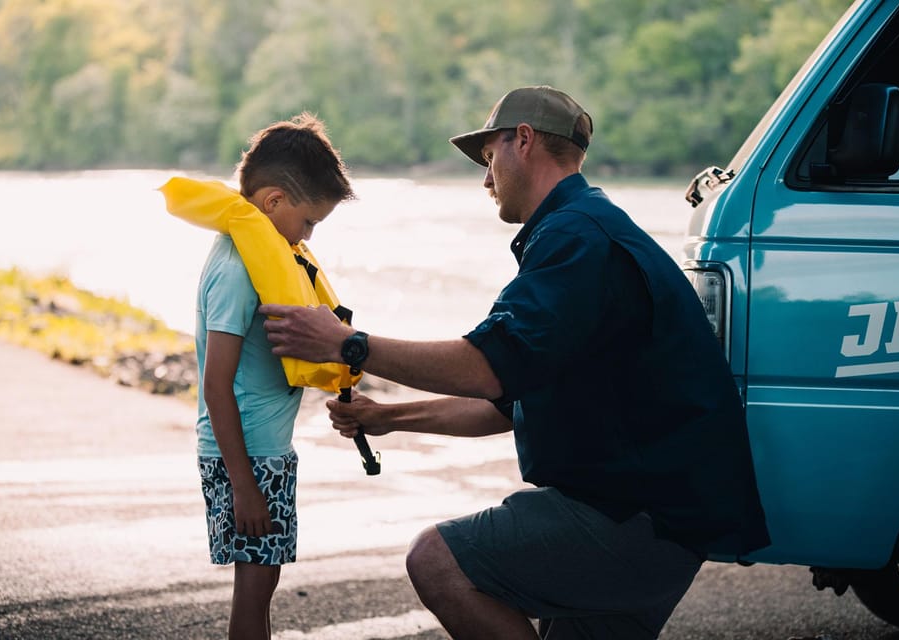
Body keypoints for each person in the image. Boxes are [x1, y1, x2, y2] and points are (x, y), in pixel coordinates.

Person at [258, 86, 770, 639]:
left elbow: (486, 367)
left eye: (488, 158)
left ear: (521, 140)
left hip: (634, 518)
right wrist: (388, 419)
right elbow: (505, 403)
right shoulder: (584, 228)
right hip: (662, 520)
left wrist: (348, 344)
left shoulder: (576, 240)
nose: (485, 178)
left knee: (436, 559)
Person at [191, 114, 354, 640]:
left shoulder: (255, 255)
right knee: (255, 590)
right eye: (308, 222)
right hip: (247, 458)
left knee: (263, 584)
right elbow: (216, 384)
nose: (308, 237)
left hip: (262, 453)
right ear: (273, 202)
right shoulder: (240, 268)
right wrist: (244, 487)